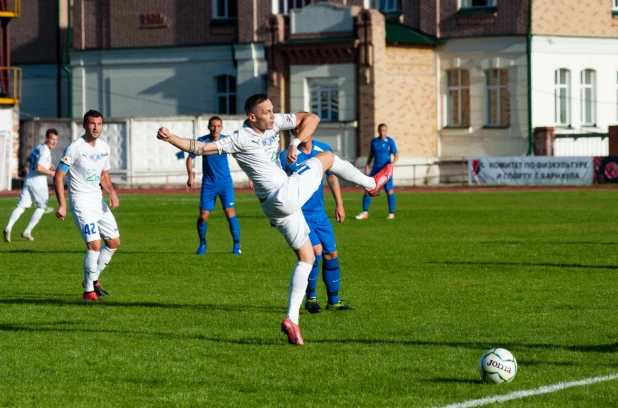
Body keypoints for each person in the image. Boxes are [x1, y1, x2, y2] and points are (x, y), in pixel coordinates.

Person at [156, 93, 392, 346]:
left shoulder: (274, 122)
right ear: (251, 116)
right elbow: (200, 148)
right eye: (266, 112)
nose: (272, 115)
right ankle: (371, 183)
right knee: (328, 159)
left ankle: (292, 320)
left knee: (308, 257)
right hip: (283, 194)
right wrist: (171, 138)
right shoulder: (239, 138)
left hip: (273, 206)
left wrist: (295, 142)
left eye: (272, 110)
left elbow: (312, 117)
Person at [280, 135, 354, 314]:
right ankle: (311, 299)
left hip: (319, 214)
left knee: (332, 253)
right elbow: (278, 185)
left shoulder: (323, 149)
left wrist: (340, 204)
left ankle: (334, 301)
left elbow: (332, 178)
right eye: (298, 129)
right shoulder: (286, 155)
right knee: (315, 251)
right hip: (299, 213)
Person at [53, 110, 121, 301]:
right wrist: (62, 205)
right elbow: (58, 176)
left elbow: (104, 176)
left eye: (99, 123)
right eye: (92, 123)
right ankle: (88, 291)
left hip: (97, 200)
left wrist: (113, 192)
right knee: (94, 245)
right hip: (80, 201)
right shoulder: (75, 147)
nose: (96, 127)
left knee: (114, 242)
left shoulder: (104, 147)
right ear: (84, 125)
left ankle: (92, 279)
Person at [186, 116, 241, 255]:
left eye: (218, 126)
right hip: (208, 184)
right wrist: (191, 176)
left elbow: (241, 157)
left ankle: (236, 246)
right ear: (209, 127)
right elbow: (189, 159)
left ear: (221, 127)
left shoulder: (226, 141)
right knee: (203, 216)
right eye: (212, 126)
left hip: (225, 183)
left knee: (229, 212)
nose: (215, 129)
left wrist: (251, 176)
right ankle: (202, 243)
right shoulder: (202, 141)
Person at [4, 128, 59, 242]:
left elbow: (30, 158)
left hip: (29, 179)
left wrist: (47, 164)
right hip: (38, 182)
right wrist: (51, 172)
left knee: (22, 206)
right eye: (52, 139)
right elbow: (39, 168)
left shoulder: (39, 147)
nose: (54, 142)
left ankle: (8, 227)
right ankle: (27, 231)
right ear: (46, 138)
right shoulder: (45, 151)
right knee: (41, 207)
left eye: (56, 140)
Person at [355, 123, 399, 220]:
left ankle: (391, 214)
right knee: (368, 189)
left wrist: (392, 165)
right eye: (381, 130)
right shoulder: (374, 142)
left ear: (386, 131)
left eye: (384, 130)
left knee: (389, 190)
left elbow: (396, 155)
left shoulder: (390, 141)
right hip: (375, 169)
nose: (382, 132)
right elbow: (371, 155)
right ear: (378, 131)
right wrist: (367, 165)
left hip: (386, 171)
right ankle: (365, 213)